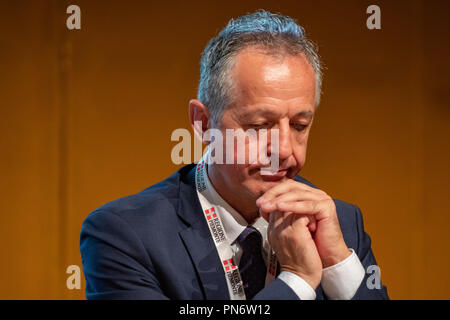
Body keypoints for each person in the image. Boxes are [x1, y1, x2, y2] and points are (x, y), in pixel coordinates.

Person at [80, 10, 389, 300]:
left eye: (299, 125)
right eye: (259, 125)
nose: (283, 150)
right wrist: (296, 281)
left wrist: (337, 263)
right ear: (203, 124)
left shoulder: (342, 224)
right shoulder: (124, 236)